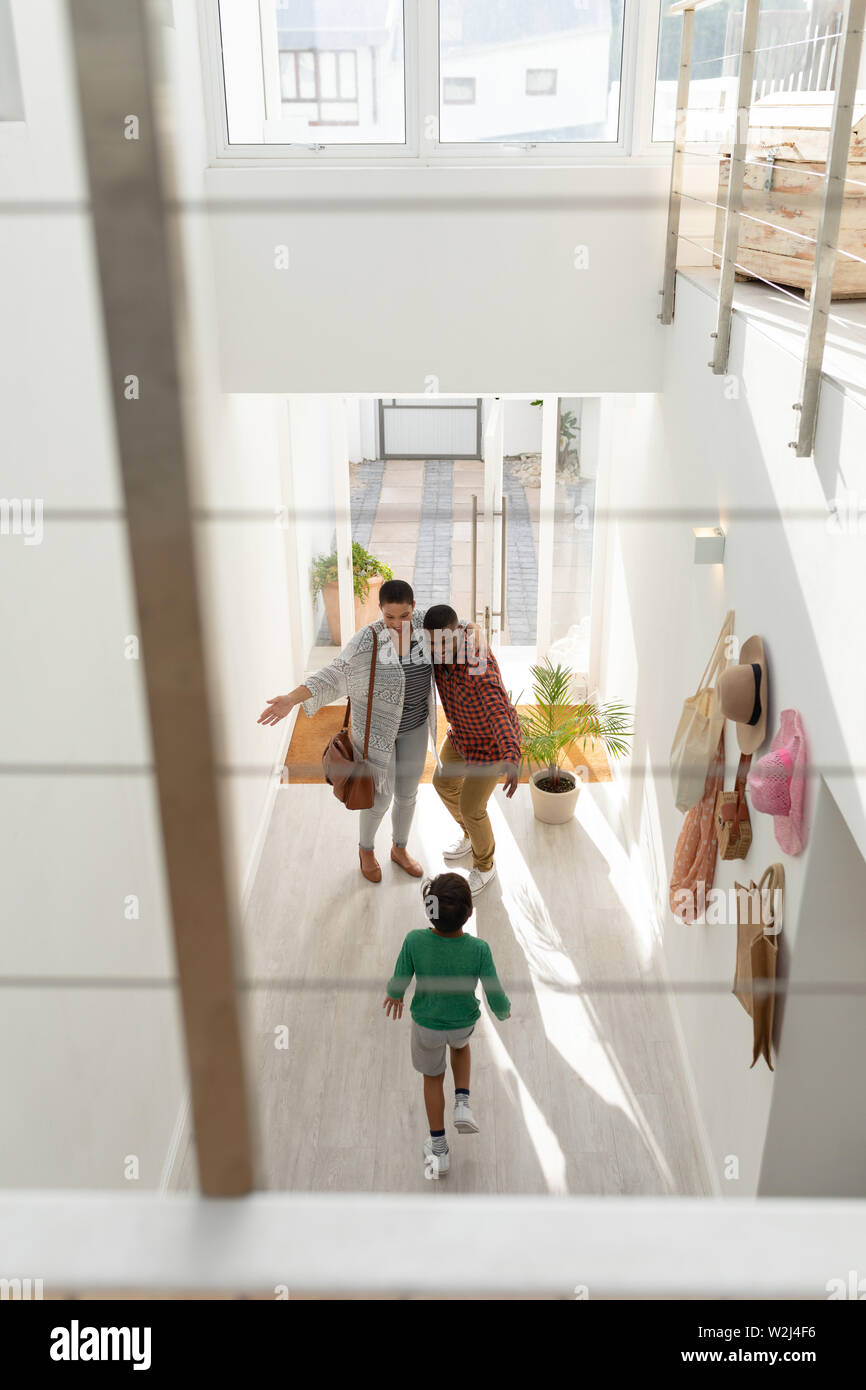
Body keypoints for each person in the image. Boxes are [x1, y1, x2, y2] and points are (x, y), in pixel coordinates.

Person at [257, 580, 478, 884]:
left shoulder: (424, 625)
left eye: (403, 616)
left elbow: (462, 625)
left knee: (408, 794)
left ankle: (399, 849)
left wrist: (475, 632)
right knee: (379, 799)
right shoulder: (367, 641)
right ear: (380, 611)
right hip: (376, 735)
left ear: (412, 608)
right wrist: (290, 700)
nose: (397, 624)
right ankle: (366, 850)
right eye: (389, 617)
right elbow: (332, 673)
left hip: (415, 727)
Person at [383, 872, 511, 1178]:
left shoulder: (415, 941)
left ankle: (439, 1150)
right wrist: (502, 1010)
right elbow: (494, 992)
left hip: (427, 1026)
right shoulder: (479, 949)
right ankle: (463, 1103)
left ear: (430, 910)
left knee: (432, 1078)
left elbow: (400, 979)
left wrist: (395, 995)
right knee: (461, 1048)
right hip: (462, 1021)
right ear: (469, 913)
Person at [423, 604, 522, 896]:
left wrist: (511, 755)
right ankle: (469, 834)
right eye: (433, 643)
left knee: (472, 807)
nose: (438, 651)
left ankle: (485, 864)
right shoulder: (437, 647)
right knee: (442, 784)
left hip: (491, 746)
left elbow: (497, 710)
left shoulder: (478, 663)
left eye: (444, 642)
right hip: (461, 736)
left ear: (458, 635)